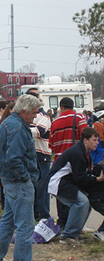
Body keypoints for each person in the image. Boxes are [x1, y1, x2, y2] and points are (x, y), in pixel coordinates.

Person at [0, 94, 41, 261]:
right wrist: (26, 178)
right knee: (25, 227)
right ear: (24, 111)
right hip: (19, 183)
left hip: (10, 181)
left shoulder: (9, 123)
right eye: (33, 112)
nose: (35, 116)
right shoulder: (17, 127)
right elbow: (14, 158)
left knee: (7, 222)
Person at [46, 127, 104, 245]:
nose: (97, 143)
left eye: (97, 140)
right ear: (85, 140)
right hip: (58, 182)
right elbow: (80, 178)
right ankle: (68, 236)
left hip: (66, 181)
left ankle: (75, 231)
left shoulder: (85, 152)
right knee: (81, 202)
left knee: (85, 203)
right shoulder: (77, 153)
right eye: (94, 140)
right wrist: (97, 179)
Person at [49, 97, 87, 228]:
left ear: (61, 107)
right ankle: (74, 224)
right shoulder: (79, 118)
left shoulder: (55, 122)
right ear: (72, 106)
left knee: (62, 193)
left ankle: (62, 222)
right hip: (75, 161)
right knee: (77, 193)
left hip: (59, 161)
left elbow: (52, 144)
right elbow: (86, 138)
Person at [25, 88, 52, 221]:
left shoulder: (44, 116)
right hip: (29, 154)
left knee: (42, 186)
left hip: (42, 155)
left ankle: (44, 215)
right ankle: (35, 213)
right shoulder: (25, 116)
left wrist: (23, 128)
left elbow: (40, 131)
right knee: (32, 185)